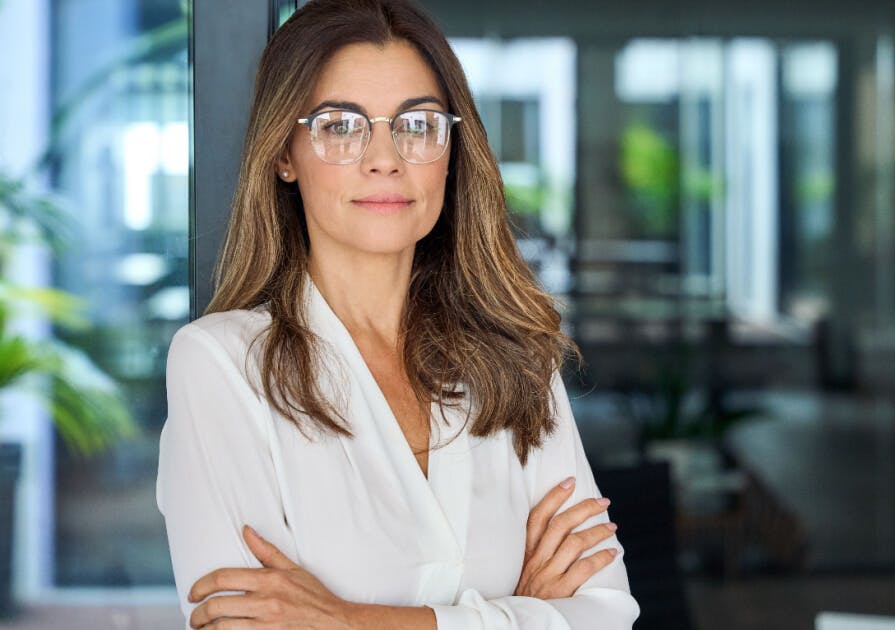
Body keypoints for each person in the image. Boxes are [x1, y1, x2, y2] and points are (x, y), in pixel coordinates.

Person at [155, 0, 639, 628]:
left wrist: (349, 620)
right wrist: (521, 612)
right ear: (284, 154)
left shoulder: (517, 355)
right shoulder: (220, 366)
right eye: (339, 125)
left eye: (417, 124)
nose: (384, 158)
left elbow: (605, 614)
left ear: (450, 149)